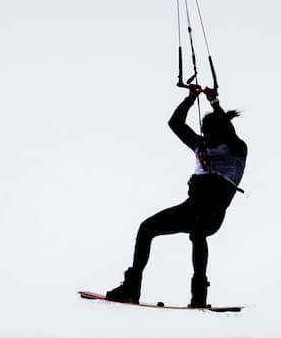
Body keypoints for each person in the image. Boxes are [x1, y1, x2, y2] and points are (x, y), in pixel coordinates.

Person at [105, 86, 247, 308]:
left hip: (213, 212)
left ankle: (199, 294)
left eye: (210, 133)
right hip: (191, 207)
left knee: (198, 232)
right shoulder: (200, 144)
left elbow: (228, 131)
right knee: (147, 228)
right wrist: (190, 98)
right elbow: (175, 124)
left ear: (221, 131)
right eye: (204, 132)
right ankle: (131, 288)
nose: (206, 137)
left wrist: (214, 103)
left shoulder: (236, 148)